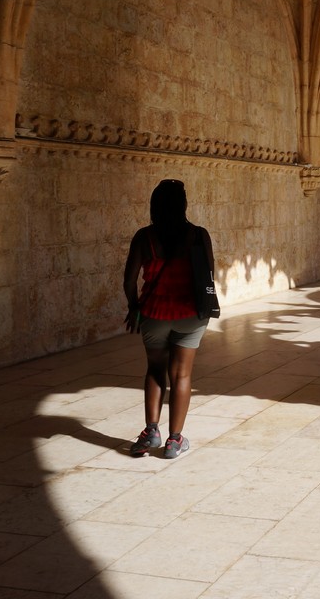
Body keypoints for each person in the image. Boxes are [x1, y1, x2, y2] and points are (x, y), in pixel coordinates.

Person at [123, 179, 216, 459]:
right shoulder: (199, 235)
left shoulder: (144, 237)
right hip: (190, 313)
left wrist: (134, 306)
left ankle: (151, 431)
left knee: (154, 370)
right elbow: (209, 275)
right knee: (182, 375)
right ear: (183, 205)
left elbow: (128, 280)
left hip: (154, 313)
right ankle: (174, 441)